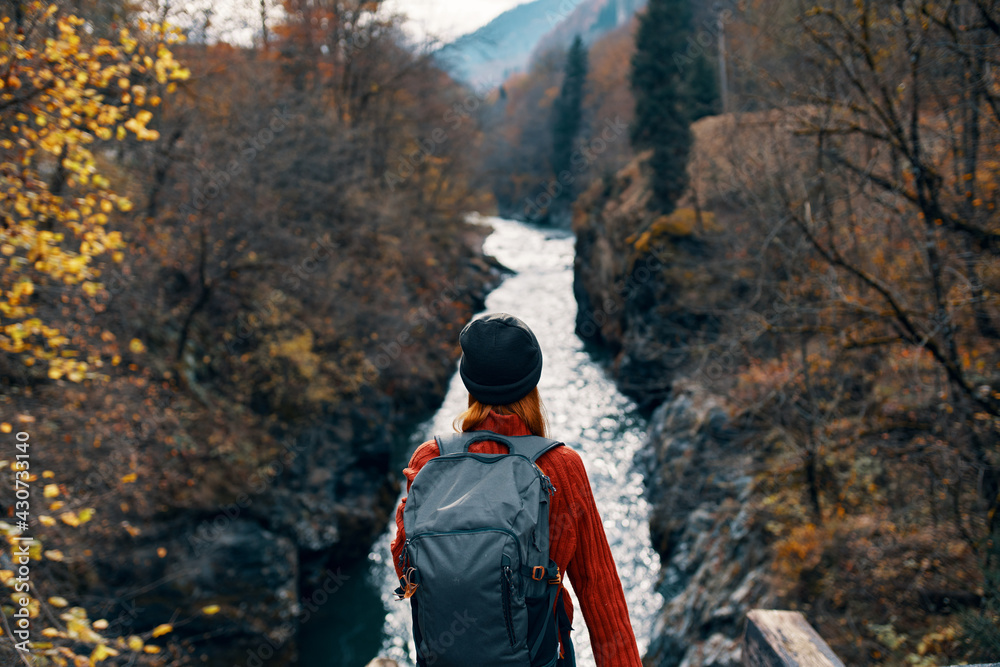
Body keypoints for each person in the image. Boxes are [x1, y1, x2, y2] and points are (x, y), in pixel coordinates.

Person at [391, 312, 642, 666]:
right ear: (533, 381)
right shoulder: (559, 466)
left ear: (468, 382)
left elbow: (408, 568)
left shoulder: (429, 459)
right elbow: (600, 594)